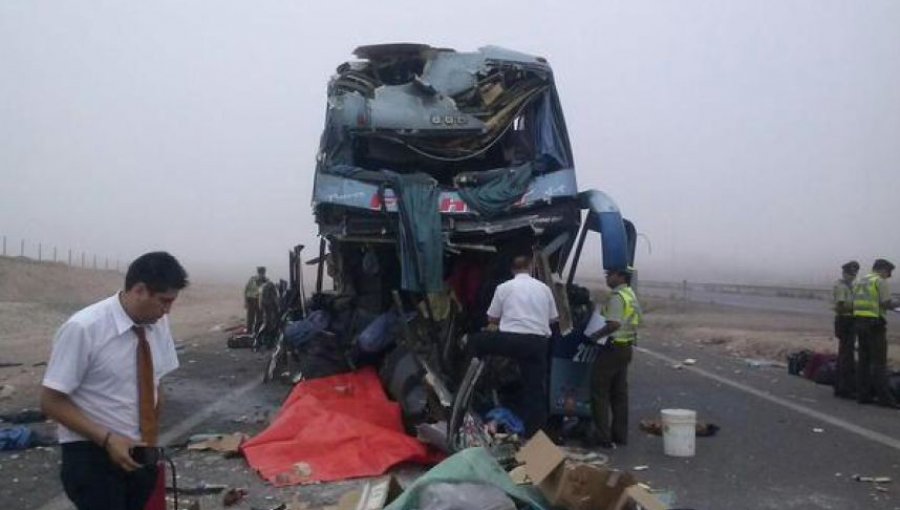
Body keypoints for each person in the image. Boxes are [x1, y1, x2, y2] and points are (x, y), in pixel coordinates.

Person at [40, 252, 188, 510]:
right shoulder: (84, 328)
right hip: (93, 457)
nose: (167, 311)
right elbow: (51, 401)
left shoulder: (157, 325)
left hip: (140, 454)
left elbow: (156, 382)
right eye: (164, 301)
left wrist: (150, 440)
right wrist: (108, 440)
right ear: (140, 290)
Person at [466, 255, 559, 436]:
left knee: (476, 342)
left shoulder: (504, 287)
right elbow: (553, 318)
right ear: (531, 268)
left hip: (510, 340)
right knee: (535, 389)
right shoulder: (544, 289)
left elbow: (492, 318)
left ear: (512, 270)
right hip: (537, 343)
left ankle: (467, 387)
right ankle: (535, 434)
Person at [586, 267, 642, 448]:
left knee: (599, 391)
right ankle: (620, 435)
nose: (607, 278)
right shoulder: (630, 295)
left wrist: (594, 336)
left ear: (620, 276)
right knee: (619, 394)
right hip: (625, 348)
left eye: (610, 275)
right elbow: (636, 320)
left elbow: (614, 324)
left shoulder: (617, 297)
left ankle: (602, 436)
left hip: (612, 348)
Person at [853, 259, 899, 408]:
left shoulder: (861, 280)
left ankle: (863, 394)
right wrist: (898, 303)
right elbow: (885, 303)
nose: (889, 276)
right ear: (883, 269)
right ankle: (884, 398)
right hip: (875, 325)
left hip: (860, 323)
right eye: (889, 272)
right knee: (879, 362)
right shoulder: (880, 281)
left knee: (864, 361)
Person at [833, 260, 859, 399]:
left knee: (846, 354)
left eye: (854, 274)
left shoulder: (850, 287)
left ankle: (843, 386)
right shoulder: (841, 287)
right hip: (845, 320)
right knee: (845, 355)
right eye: (850, 274)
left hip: (850, 320)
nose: (852, 276)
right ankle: (843, 388)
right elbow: (840, 306)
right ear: (844, 273)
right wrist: (858, 307)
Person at [244, 266, 266, 333]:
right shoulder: (252, 279)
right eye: (260, 272)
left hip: (260, 301)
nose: (261, 274)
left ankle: (257, 331)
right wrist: (246, 302)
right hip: (251, 300)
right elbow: (246, 290)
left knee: (260, 318)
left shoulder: (266, 281)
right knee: (250, 318)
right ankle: (249, 331)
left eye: (262, 273)